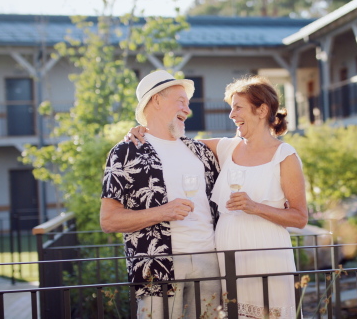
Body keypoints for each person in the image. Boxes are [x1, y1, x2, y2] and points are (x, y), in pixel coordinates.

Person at [128, 75, 308, 318]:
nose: (232, 115)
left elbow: (299, 217)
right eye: (231, 108)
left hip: (267, 256)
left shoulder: (285, 155)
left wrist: (255, 207)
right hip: (227, 260)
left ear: (262, 110)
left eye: (238, 107)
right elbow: (172, 139)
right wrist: (144, 131)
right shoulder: (226, 148)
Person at [100, 70, 221, 319]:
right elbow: (109, 220)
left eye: (187, 103)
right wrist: (164, 212)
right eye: (180, 101)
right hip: (156, 267)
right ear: (155, 100)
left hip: (210, 262)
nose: (187, 109)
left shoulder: (201, 151)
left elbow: (247, 147)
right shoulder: (125, 152)